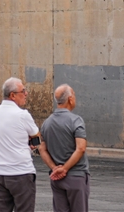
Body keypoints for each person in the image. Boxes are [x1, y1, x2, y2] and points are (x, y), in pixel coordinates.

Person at [0, 77, 39, 212]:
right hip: (20, 172)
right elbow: (36, 136)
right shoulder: (22, 115)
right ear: (12, 95)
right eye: (23, 91)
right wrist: (30, 142)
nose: (26, 93)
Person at [38, 84, 90, 212]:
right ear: (70, 99)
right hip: (76, 176)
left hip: (56, 179)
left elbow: (41, 149)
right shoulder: (76, 121)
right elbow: (81, 148)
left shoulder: (47, 123)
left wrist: (55, 168)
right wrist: (65, 169)